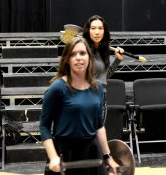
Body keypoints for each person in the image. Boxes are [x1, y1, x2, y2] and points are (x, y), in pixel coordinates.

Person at [39, 37, 119, 175]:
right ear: (67, 60)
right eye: (73, 54)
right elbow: (44, 126)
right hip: (66, 153)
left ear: (89, 57)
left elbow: (99, 126)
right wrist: (53, 157)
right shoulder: (58, 88)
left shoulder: (98, 88)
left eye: (82, 53)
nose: (78, 58)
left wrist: (108, 157)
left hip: (92, 152)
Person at [82, 15, 124, 88]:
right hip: (88, 95)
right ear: (88, 31)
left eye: (100, 28)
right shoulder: (83, 51)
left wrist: (118, 60)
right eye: (93, 28)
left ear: (104, 31)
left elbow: (103, 77)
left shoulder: (103, 51)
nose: (97, 32)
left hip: (101, 95)